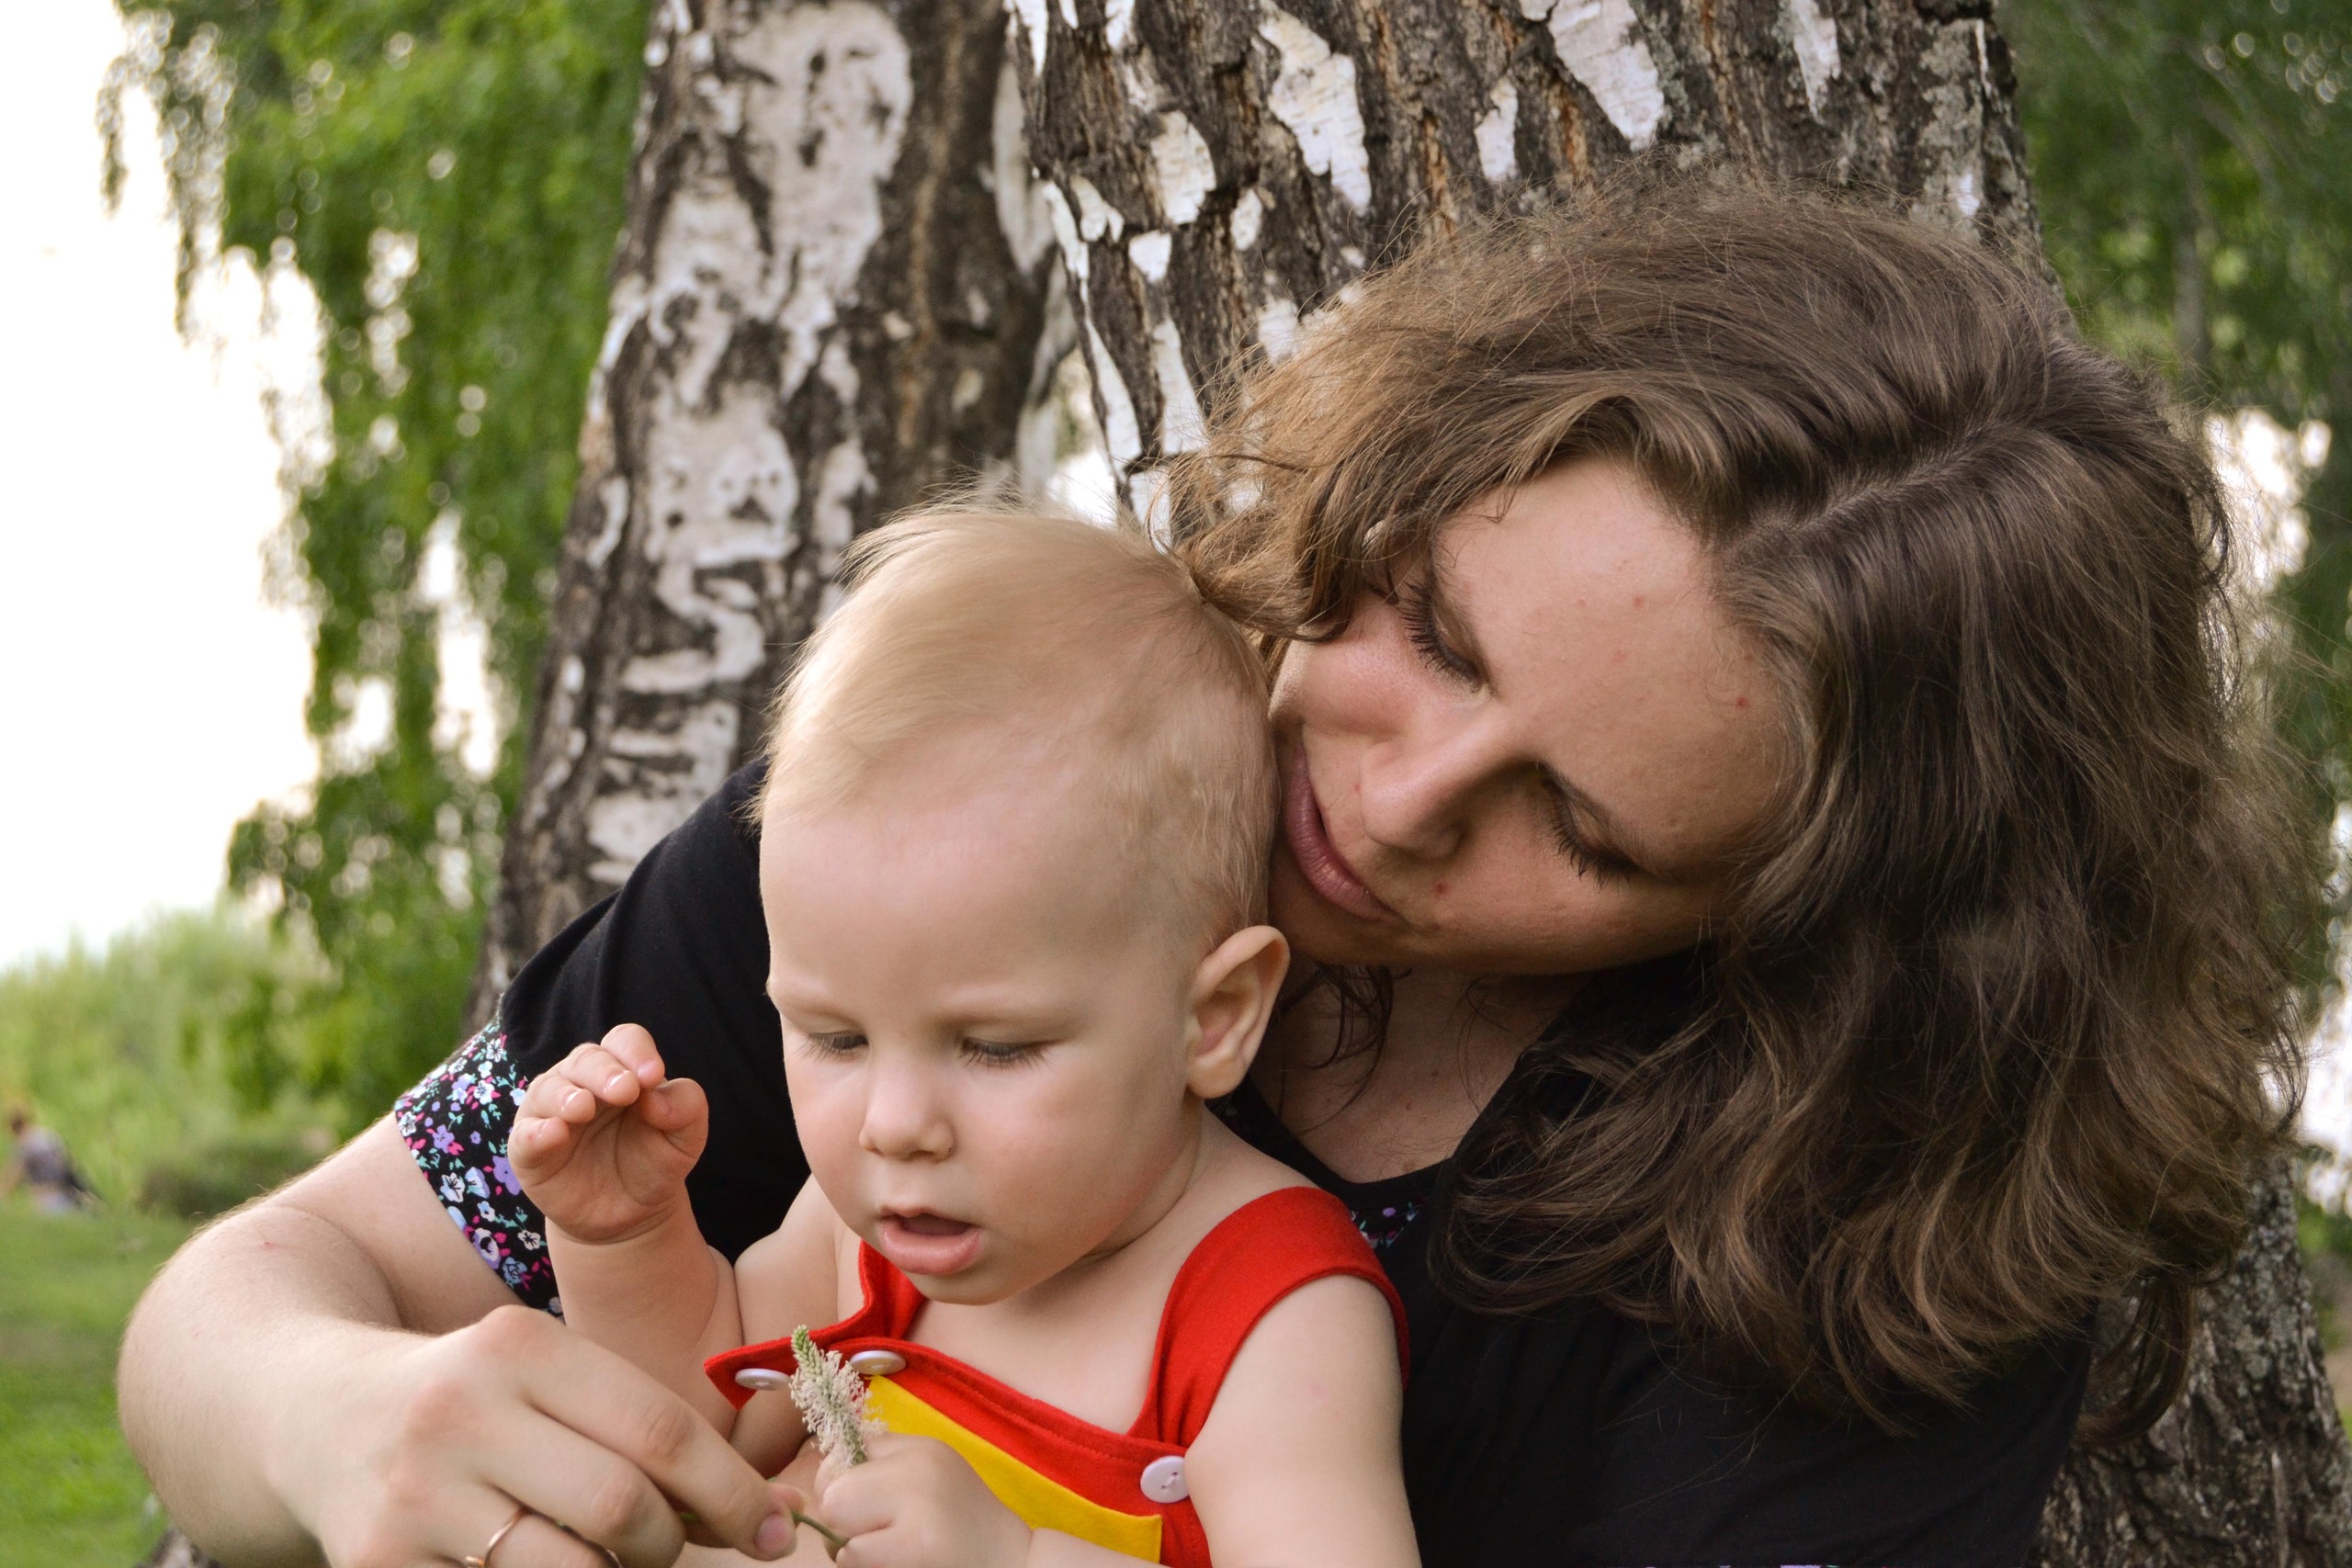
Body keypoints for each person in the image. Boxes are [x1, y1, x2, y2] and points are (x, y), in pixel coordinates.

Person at [118, 177, 2300, 1568]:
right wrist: (342, 1418)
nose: (1393, 792)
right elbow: (247, 1300)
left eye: (1580, 827)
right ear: (1403, 469)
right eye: (1432, 628)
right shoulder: (962, 833)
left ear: (1788, 911)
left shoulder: (1842, 1247)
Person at [509, 511, 1416, 1565]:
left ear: (1212, 1018)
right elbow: (694, 1433)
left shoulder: (1269, 1313)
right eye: (836, 1038)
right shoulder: (861, 1239)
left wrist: (1016, 1556)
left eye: (993, 1047)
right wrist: (621, 1242)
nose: (895, 1125)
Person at [5, 1104, 91, 1213]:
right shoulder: (48, 1136)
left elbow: (14, 1174)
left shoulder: (26, 1143)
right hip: (66, 1194)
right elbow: (69, 1162)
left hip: (46, 1197)